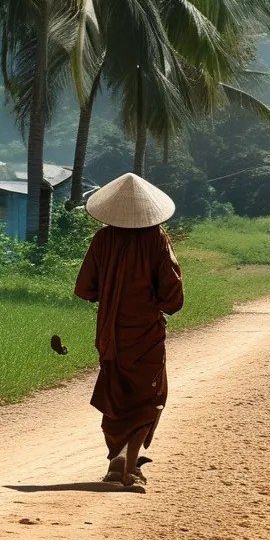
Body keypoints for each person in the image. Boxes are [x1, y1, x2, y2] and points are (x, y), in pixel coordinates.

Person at [74, 173, 184, 488]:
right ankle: (130, 467)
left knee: (117, 394)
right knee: (148, 396)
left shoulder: (102, 240)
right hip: (146, 334)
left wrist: (109, 293)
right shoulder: (156, 238)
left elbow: (85, 288)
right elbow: (172, 291)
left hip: (110, 333)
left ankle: (116, 462)